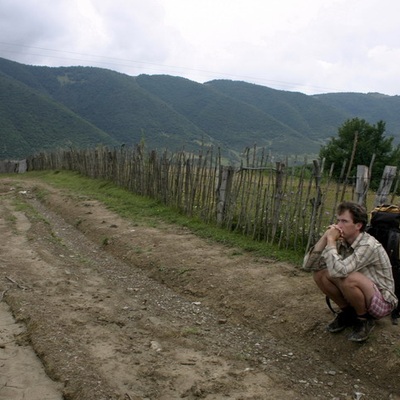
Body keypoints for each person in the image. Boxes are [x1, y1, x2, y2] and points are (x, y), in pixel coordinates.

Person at [303, 201, 398, 342]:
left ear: (358, 225)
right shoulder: (343, 241)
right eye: (338, 220)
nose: (338, 225)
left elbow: (339, 272)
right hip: (361, 292)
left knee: (348, 278)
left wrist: (331, 242)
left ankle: (363, 320)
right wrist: (325, 237)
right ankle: (347, 314)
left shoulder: (368, 245)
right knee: (320, 274)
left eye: (344, 221)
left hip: (382, 301)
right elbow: (308, 265)